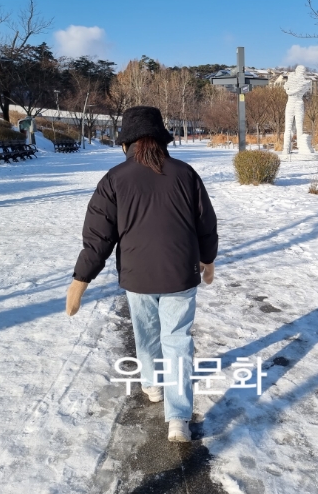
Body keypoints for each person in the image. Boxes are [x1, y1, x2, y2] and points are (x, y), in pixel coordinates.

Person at [65, 105, 218, 443]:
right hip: (181, 273)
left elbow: (98, 238)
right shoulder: (185, 174)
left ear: (127, 144)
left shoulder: (114, 180)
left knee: (146, 333)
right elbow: (206, 224)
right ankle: (178, 419)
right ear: (161, 140)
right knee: (177, 340)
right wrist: (208, 260)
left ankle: (151, 385)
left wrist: (81, 280)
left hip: (137, 277)